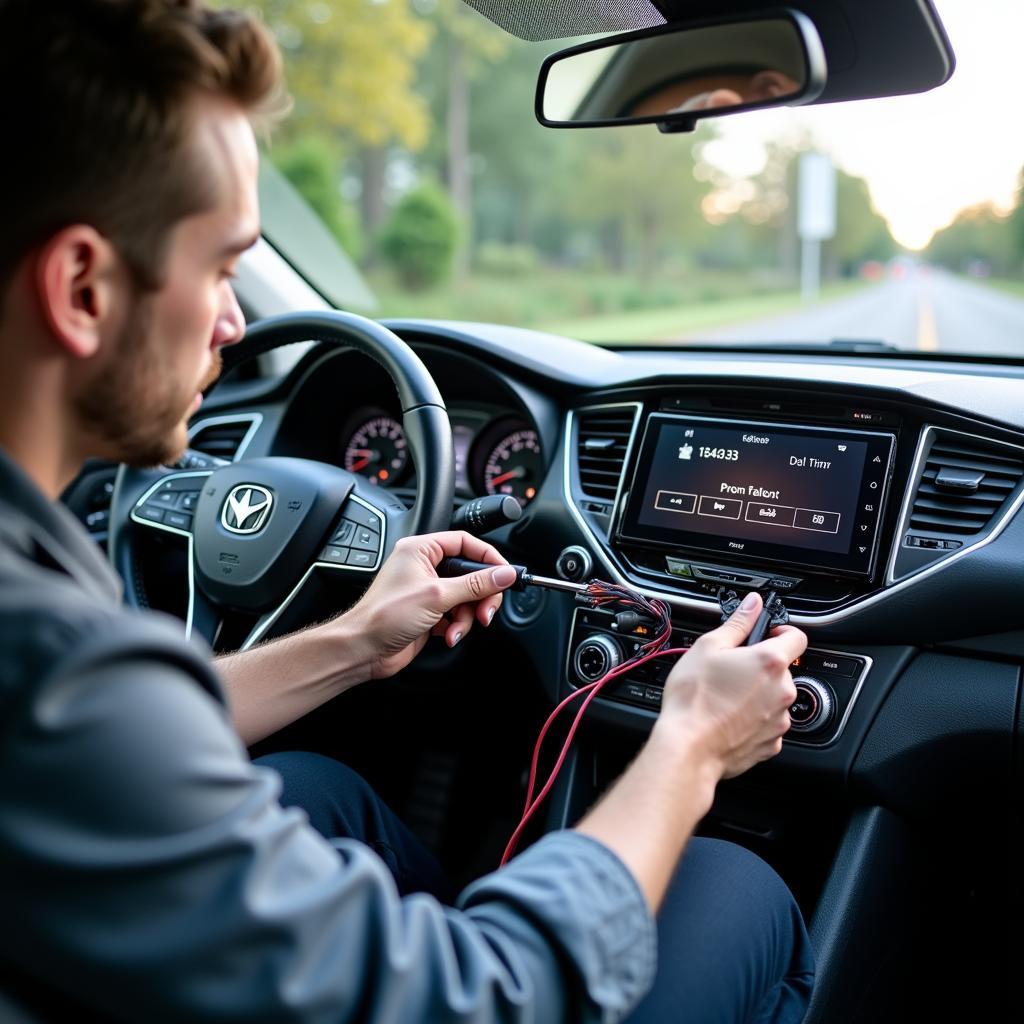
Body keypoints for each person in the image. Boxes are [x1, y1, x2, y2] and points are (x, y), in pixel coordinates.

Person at [0, 1, 815, 1020]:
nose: (235, 322)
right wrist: (689, 743)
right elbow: (492, 994)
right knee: (735, 887)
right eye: (219, 266)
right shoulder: (48, 655)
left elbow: (106, 752)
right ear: (80, 288)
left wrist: (347, 641)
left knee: (316, 785)